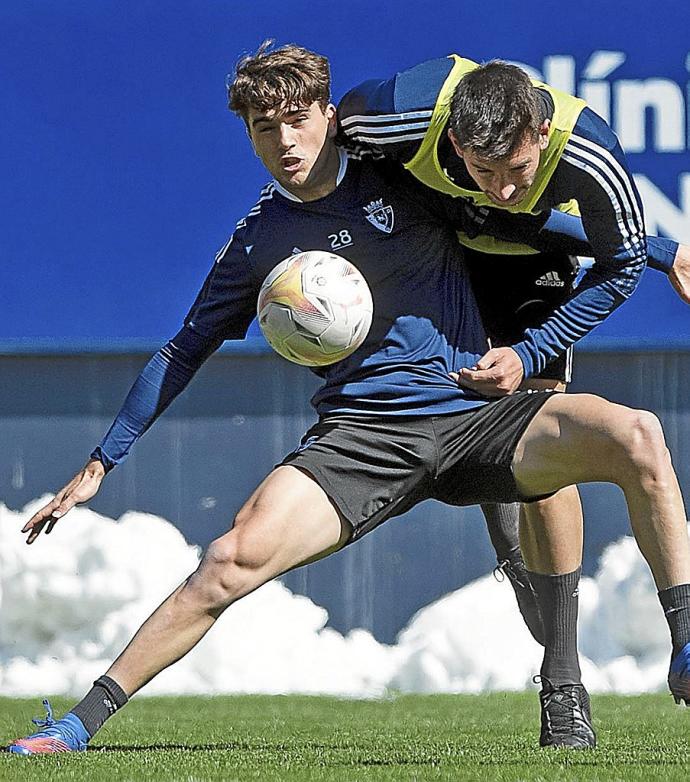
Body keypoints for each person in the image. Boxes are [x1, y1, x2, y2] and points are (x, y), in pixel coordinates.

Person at [7, 43, 690, 756]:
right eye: (264, 129)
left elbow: (529, 223)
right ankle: (77, 724)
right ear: (248, 137)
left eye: (297, 119)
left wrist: (661, 247)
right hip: (363, 441)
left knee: (634, 433)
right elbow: (184, 348)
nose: (285, 141)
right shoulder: (258, 241)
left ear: (329, 117)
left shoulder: (403, 180)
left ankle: (613, 671)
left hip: (471, 413)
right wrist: (101, 461)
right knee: (230, 558)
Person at [338, 53, 690, 740]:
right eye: (482, 171)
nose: (501, 189)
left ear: (540, 128)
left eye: (518, 173)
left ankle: (562, 683)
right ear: (456, 141)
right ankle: (504, 512)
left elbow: (614, 266)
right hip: (436, 262)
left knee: (545, 442)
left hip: (533, 275)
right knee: (473, 441)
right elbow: (329, 146)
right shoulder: (394, 112)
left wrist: (528, 354)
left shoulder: (592, 153)